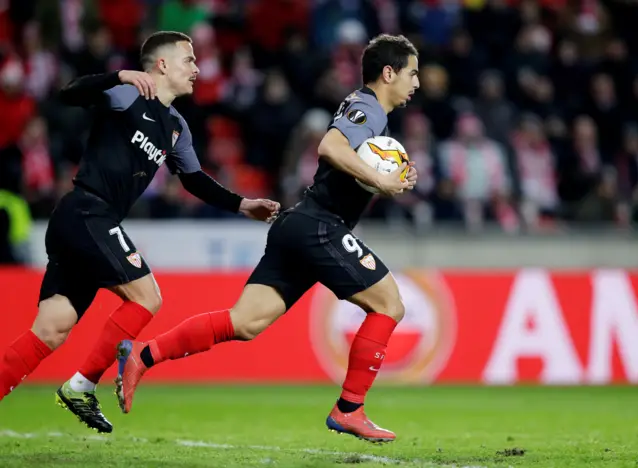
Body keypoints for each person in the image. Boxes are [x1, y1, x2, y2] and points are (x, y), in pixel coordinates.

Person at [117, 34, 419, 443]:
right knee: (389, 304)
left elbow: (352, 161)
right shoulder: (367, 106)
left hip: (298, 225)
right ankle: (350, 409)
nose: (416, 83)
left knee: (244, 322)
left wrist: (391, 177)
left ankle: (143, 354)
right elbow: (330, 147)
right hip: (319, 225)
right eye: (412, 73)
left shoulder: (368, 112)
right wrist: (379, 178)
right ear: (389, 73)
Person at [0, 31, 280, 434]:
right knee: (147, 297)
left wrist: (243, 205)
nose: (197, 68)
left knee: (52, 327)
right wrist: (119, 76)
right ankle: (81, 385)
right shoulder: (128, 94)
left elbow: (195, 180)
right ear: (161, 64)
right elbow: (67, 94)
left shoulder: (177, 128)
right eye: (189, 60)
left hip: (82, 221)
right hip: (87, 211)